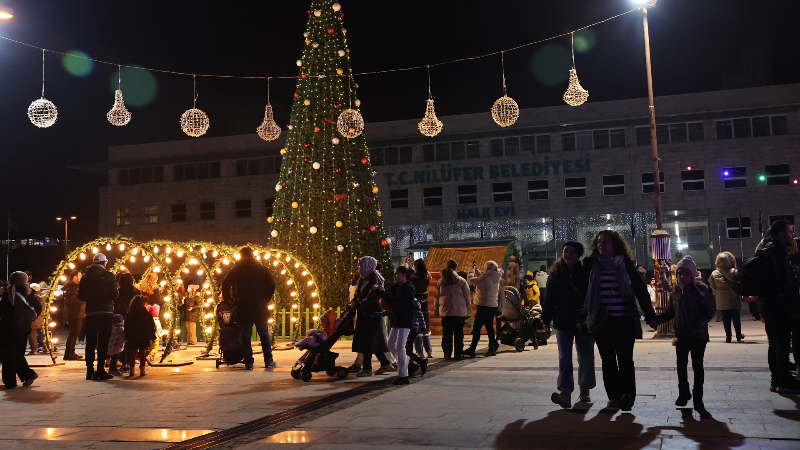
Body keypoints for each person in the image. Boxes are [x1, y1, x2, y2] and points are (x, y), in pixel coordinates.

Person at [583, 230, 656, 411]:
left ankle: (628, 395)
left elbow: (640, 291)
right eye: (599, 241)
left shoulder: (626, 265)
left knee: (625, 359)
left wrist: (650, 315)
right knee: (608, 361)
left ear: (615, 245)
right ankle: (614, 396)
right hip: (601, 323)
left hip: (624, 321)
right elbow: (581, 292)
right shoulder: (591, 265)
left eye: (605, 241)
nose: (601, 245)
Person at [650, 256, 715, 411]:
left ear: (692, 275)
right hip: (681, 335)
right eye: (680, 274)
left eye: (686, 274)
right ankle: (683, 393)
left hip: (698, 336)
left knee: (697, 366)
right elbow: (670, 312)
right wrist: (657, 320)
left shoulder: (700, 291)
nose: (682, 277)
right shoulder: (676, 294)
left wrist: (697, 323)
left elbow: (710, 311)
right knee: (681, 365)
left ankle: (698, 397)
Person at [542, 241, 594, 409]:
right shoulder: (556, 273)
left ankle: (584, 391)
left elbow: (591, 295)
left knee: (585, 356)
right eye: (565, 250)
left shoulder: (585, 272)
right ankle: (566, 393)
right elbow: (549, 299)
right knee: (564, 358)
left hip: (582, 320)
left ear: (578, 254)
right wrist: (545, 319)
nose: (568, 253)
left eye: (572, 251)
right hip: (563, 321)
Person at [759, 220, 800, 393]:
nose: (792, 234)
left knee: (774, 344)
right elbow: (784, 280)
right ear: (781, 234)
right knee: (782, 343)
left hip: (767, 304)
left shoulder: (765, 249)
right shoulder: (779, 251)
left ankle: (775, 379)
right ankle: (784, 381)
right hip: (779, 304)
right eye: (790, 231)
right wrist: (794, 300)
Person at [221, 246, 277, 370]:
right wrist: (265, 299)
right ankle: (268, 360)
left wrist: (229, 299)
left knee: (246, 336)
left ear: (242, 256)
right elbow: (272, 285)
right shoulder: (262, 269)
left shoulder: (236, 269)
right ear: (252, 255)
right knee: (264, 334)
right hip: (260, 307)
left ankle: (249, 362)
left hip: (243, 306)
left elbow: (225, 284)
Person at [79, 253, 119, 381]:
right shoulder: (109, 276)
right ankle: (100, 370)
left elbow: (81, 296)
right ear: (104, 263)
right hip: (105, 312)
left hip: (90, 312)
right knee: (103, 342)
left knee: (90, 343)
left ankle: (89, 371)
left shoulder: (85, 278)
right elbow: (115, 295)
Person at [350, 256, 392, 377]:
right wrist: (353, 303)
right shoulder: (363, 279)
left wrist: (358, 304)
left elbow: (372, 298)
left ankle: (367, 368)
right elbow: (358, 294)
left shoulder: (374, 279)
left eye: (360, 265)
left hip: (371, 314)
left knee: (368, 342)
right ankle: (384, 363)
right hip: (364, 314)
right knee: (369, 341)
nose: (359, 267)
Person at [375, 266, 416, 385]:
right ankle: (409, 364)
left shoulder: (407, 288)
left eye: (397, 274)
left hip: (405, 320)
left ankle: (403, 376)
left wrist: (382, 292)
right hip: (397, 319)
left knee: (400, 346)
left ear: (403, 275)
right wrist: (380, 292)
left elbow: (395, 303)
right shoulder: (397, 287)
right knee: (391, 345)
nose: (394, 276)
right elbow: (386, 297)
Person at [0, 271, 40, 388]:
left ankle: (10, 382)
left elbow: (3, 311)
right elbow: (38, 307)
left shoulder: (9, 294)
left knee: (8, 356)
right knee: (18, 354)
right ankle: (27, 375)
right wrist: (30, 318)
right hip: (24, 328)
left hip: (9, 328)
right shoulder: (29, 293)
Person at [434, 260, 472, 360]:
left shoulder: (441, 281)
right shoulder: (461, 281)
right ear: (456, 268)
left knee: (447, 334)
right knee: (459, 333)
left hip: (446, 312)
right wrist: (467, 306)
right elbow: (467, 296)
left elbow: (437, 297)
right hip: (459, 312)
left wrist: (437, 310)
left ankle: (447, 353)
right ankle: (458, 353)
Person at [464, 260, 502, 358]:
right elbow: (485, 281)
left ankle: (472, 349)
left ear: (487, 267)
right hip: (492, 305)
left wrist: (472, 271)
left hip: (483, 305)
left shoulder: (485, 278)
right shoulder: (496, 277)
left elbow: (471, 280)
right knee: (489, 327)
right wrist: (479, 273)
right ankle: (492, 348)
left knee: (477, 328)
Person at [708, 251, 744, 343]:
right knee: (736, 318)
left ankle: (728, 337)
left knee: (726, 319)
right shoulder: (732, 271)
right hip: (733, 297)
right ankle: (739, 335)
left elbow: (712, 286)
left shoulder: (714, 273)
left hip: (722, 299)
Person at [125, 295, 157, 376]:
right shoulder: (146, 314)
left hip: (133, 335)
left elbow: (127, 325)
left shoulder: (130, 313)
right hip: (143, 335)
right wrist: (152, 336)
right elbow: (151, 325)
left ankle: (131, 370)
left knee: (133, 352)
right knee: (143, 352)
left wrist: (127, 335)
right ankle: (142, 369)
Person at [411, 259, 434, 359]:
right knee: (425, 330)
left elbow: (408, 275)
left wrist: (410, 265)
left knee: (417, 331)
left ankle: (420, 353)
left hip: (416, 306)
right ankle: (429, 351)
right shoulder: (427, 277)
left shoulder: (414, 278)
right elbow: (427, 272)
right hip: (425, 307)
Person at [63, 270, 84, 361]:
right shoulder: (71, 288)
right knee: (73, 333)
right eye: (80, 275)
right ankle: (68, 353)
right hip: (74, 313)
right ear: (75, 277)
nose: (81, 277)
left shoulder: (76, 287)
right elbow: (72, 300)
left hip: (78, 313)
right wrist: (84, 300)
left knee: (76, 333)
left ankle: (72, 352)